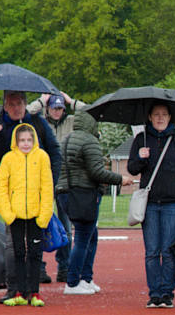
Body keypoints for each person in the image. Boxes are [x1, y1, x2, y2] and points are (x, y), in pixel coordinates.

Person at [0, 90, 63, 299]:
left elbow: (55, 154)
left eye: (19, 103)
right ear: (4, 106)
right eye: (11, 104)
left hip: (37, 198)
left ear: (25, 104)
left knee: (36, 247)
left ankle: (33, 288)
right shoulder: (0, 126)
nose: (15, 108)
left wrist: (49, 185)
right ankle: (15, 289)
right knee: (14, 248)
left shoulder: (38, 124)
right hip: (14, 202)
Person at [127, 102, 175, 308]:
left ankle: (167, 293)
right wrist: (141, 158)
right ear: (150, 117)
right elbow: (132, 169)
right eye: (156, 114)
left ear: (170, 117)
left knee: (169, 250)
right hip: (150, 204)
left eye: (164, 114)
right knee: (152, 250)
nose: (160, 118)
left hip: (173, 204)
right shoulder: (141, 140)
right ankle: (155, 293)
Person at [56, 110, 133, 295]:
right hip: (84, 194)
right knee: (83, 237)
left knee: (90, 235)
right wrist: (120, 179)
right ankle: (74, 282)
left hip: (64, 193)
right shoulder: (90, 141)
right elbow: (97, 172)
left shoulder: (66, 139)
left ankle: (86, 278)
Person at [27, 91, 88, 282]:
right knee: (39, 223)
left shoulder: (71, 122)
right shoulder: (37, 122)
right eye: (54, 107)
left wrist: (71, 101)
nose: (57, 111)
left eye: (61, 108)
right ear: (48, 108)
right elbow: (25, 113)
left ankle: (64, 265)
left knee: (64, 225)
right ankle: (39, 268)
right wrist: (41, 100)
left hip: (63, 180)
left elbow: (89, 113)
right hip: (41, 179)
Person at [0, 123, 54, 307]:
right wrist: (8, 213)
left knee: (35, 253)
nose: (26, 144)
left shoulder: (42, 157)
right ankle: (19, 291)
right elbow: (1, 187)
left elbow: (47, 186)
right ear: (16, 141)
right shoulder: (8, 159)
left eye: (29, 140)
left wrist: (44, 214)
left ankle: (34, 292)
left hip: (36, 215)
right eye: (22, 140)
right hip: (16, 215)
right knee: (19, 253)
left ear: (34, 140)